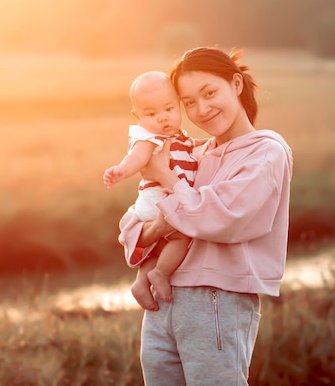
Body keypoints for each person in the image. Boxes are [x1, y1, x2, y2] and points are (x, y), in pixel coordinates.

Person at [117, 47, 293, 386]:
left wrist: (166, 180)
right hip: (162, 303)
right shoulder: (193, 152)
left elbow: (220, 217)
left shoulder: (266, 152)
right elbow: (132, 221)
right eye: (189, 102)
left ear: (236, 84)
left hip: (216, 300)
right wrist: (158, 226)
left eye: (210, 93)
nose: (202, 109)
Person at [103, 71, 201, 311]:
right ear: (138, 117)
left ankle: (140, 283)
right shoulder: (149, 138)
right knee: (182, 236)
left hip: (161, 198)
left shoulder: (177, 136)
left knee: (161, 244)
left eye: (168, 109)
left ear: (178, 106)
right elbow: (136, 157)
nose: (163, 119)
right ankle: (160, 273)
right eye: (151, 114)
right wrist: (122, 171)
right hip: (157, 198)